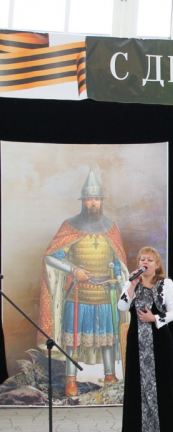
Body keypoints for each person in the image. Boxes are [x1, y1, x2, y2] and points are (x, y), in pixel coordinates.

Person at [37, 166, 129, 397]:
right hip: (78, 293)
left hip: (106, 292)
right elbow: (51, 256)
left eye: (97, 199)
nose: (93, 203)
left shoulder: (112, 227)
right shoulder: (70, 226)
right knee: (73, 339)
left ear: (102, 201)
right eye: (89, 199)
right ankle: (71, 379)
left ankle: (109, 375)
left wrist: (119, 277)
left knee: (108, 337)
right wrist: (74, 269)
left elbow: (117, 259)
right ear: (83, 202)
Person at [118, 247, 173, 432]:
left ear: (157, 264)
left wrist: (154, 318)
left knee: (165, 385)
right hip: (137, 343)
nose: (145, 262)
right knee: (138, 387)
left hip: (159, 341)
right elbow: (122, 307)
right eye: (142, 259)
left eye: (150, 260)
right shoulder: (131, 283)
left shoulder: (165, 284)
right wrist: (131, 286)